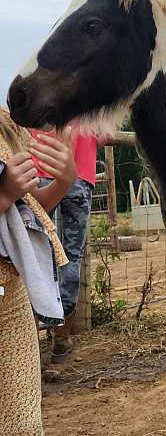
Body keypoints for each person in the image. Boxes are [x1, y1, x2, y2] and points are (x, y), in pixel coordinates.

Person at [0, 109, 76, 436]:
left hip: (9, 293)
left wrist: (62, 182)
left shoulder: (6, 127)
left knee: (23, 426)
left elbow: (23, 217)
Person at [30, 129, 103, 362]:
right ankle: (61, 338)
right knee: (72, 255)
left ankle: (30, 334)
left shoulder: (39, 96)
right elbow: (105, 134)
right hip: (79, 176)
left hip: (39, 174)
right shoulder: (88, 102)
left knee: (36, 255)